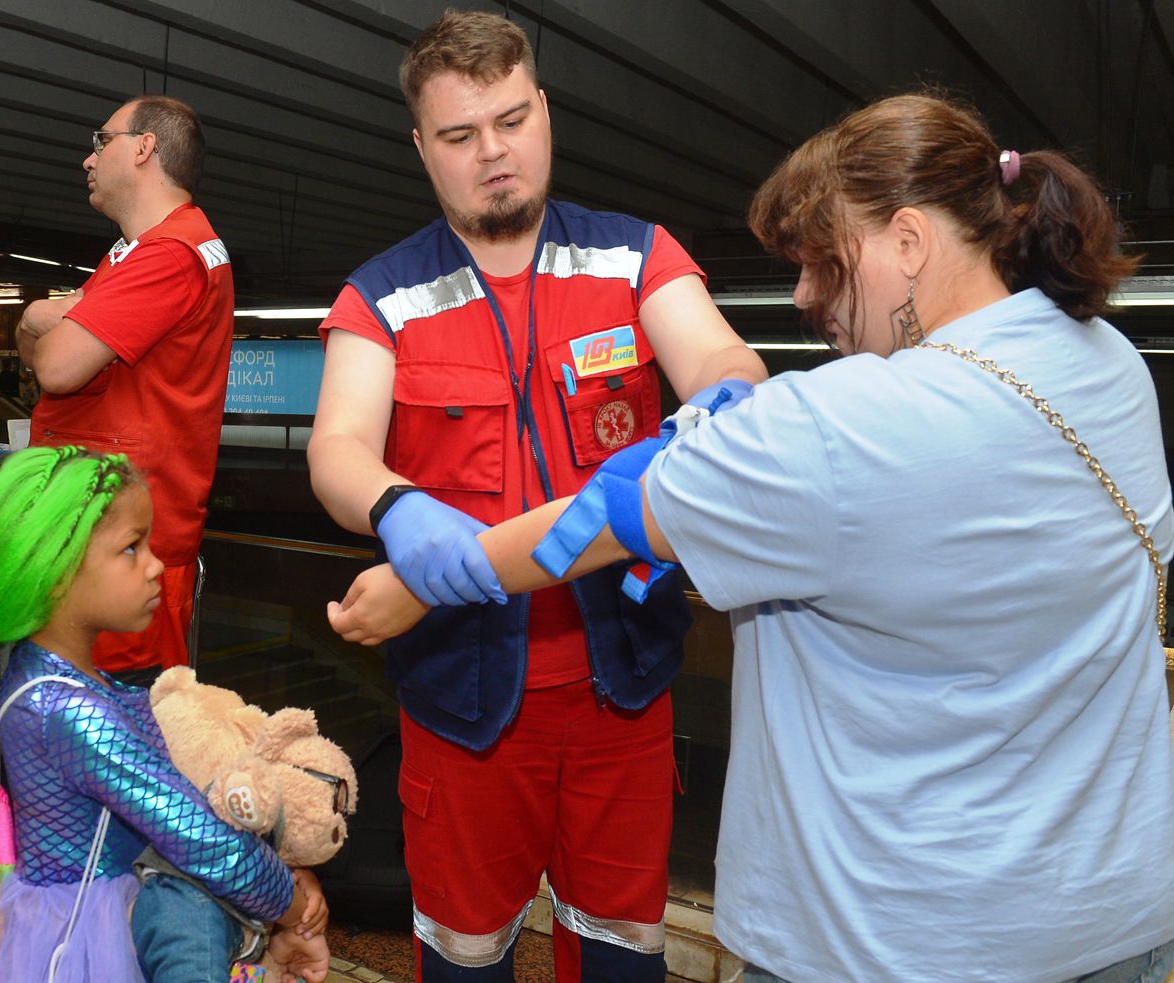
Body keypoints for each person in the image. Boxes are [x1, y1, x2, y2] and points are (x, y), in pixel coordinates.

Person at [329, 91, 1174, 983]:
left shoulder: (834, 424)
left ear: (908, 241)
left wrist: (430, 576)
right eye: (460, 133)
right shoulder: (1110, 364)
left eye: (823, 262)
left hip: (914, 943)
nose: (805, 296)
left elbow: (595, 526)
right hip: (1121, 914)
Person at [306, 11, 766, 981]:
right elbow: (337, 446)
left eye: (511, 121)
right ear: (420, 148)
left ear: (544, 111)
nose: (493, 154)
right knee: (465, 954)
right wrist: (395, 504)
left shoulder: (632, 256)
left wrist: (727, 390)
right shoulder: (380, 295)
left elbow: (718, 351)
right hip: (463, 710)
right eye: (460, 136)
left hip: (619, 696)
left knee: (621, 951)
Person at [0, 447, 328, 982]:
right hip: (90, 940)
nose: (155, 565)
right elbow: (196, 834)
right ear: (53, 573)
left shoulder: (62, 684)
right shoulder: (67, 710)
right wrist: (292, 905)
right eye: (131, 548)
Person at [16, 94, 233, 682]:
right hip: (97, 538)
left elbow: (57, 367)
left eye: (100, 141)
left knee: (109, 743)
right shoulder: (131, 253)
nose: (88, 160)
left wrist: (41, 311)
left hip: (123, 549)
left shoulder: (171, 254)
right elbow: (35, 353)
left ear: (145, 148)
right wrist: (44, 324)